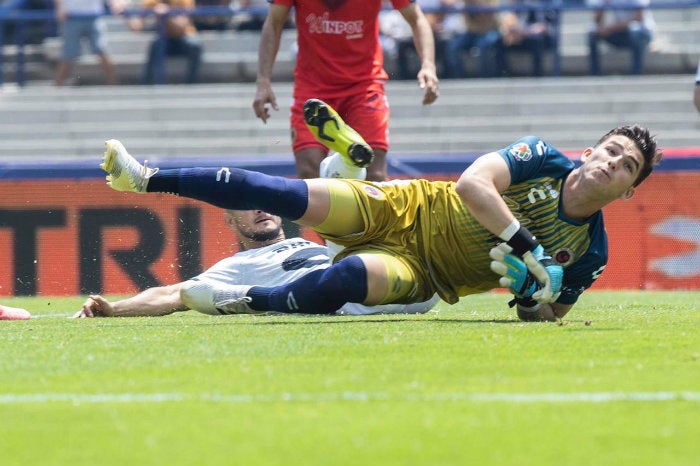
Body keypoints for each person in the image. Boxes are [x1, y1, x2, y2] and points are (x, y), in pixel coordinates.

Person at [99, 98, 662, 322]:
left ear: (630, 190)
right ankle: (144, 177)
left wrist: (532, 294)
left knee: (343, 276)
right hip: (406, 206)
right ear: (590, 152)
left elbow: (545, 317)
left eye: (628, 165)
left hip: (427, 275)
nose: (613, 163)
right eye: (611, 150)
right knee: (282, 193)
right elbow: (472, 184)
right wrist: (528, 248)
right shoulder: (542, 157)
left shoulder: (593, 253)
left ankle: (244, 302)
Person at [74, 204, 439, 317]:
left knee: (428, 276)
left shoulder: (305, 242)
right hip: (349, 301)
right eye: (247, 207)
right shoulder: (239, 264)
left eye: (263, 202)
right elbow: (178, 292)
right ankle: (342, 170)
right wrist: (116, 310)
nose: (260, 209)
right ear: (230, 222)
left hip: (394, 285)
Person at [252, 0, 440, 182]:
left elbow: (417, 19)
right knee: (309, 170)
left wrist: (428, 66)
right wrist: (263, 81)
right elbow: (274, 23)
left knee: (374, 175)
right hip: (312, 86)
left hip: (364, 86)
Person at [128, 0, 203, 84]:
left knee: (195, 46)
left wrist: (166, 15)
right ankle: (147, 87)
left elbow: (180, 29)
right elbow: (136, 28)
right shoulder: (151, 2)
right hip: (164, 39)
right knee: (155, 46)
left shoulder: (184, 1)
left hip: (183, 37)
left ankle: (191, 86)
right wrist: (125, 12)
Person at [53, 0, 120, 86]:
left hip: (94, 16)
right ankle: (58, 86)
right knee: (68, 54)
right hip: (72, 16)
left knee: (101, 49)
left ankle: (114, 85)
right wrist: (59, 8)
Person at [586, 0, 655, 76]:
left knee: (635, 31)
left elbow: (638, 18)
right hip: (622, 34)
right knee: (593, 34)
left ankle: (636, 74)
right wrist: (603, 5)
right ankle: (595, 74)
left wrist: (610, 29)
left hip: (643, 34)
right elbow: (597, 21)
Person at [443, 0, 505, 78]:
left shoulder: (492, 1)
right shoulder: (467, 2)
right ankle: (458, 78)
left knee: (484, 45)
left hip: (490, 30)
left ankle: (486, 78)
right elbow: (468, 23)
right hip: (472, 32)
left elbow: (491, 18)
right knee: (453, 45)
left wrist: (480, 7)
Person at [499, 0, 557, 77]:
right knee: (498, 42)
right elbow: (508, 22)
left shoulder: (545, 3)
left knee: (538, 41)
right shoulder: (517, 5)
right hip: (520, 37)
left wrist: (541, 28)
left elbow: (550, 25)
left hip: (539, 38)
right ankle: (504, 75)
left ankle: (537, 77)